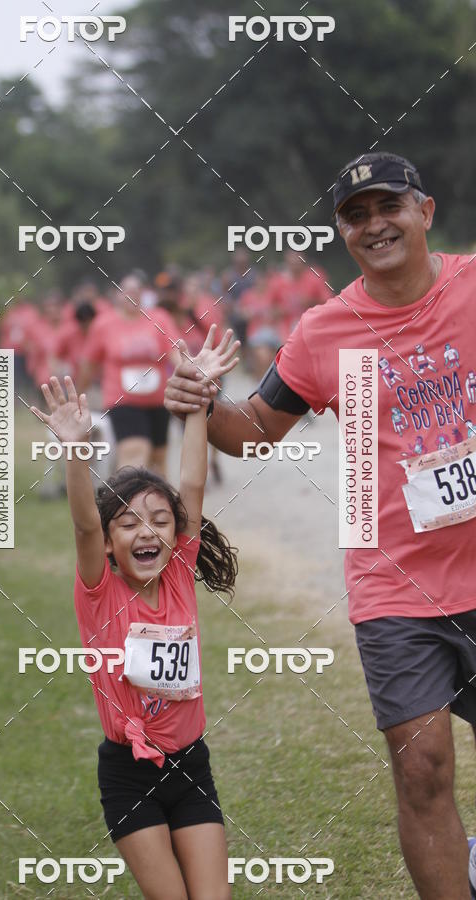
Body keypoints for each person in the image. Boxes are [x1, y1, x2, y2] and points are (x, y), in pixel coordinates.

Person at [165, 152, 476, 900]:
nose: (375, 225)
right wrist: (203, 400)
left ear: (425, 211)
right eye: (355, 215)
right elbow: (255, 430)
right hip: (395, 586)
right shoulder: (322, 332)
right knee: (421, 765)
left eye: (388, 206)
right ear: (343, 233)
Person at [31, 324, 240, 900]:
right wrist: (77, 451)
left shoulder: (176, 572)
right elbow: (81, 522)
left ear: (177, 534)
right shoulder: (99, 589)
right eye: (127, 524)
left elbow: (191, 483)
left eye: (159, 520)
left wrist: (197, 400)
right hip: (129, 777)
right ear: (107, 543)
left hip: (190, 766)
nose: (146, 532)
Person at [79, 273, 181, 477]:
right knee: (135, 451)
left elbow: (174, 352)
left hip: (158, 400)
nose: (132, 297)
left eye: (136, 291)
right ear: (118, 295)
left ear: (144, 294)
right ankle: (124, 504)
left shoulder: (159, 318)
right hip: (122, 400)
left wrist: (187, 371)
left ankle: (159, 506)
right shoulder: (104, 324)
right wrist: (79, 397)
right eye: (127, 292)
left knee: (158, 459)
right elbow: (88, 363)